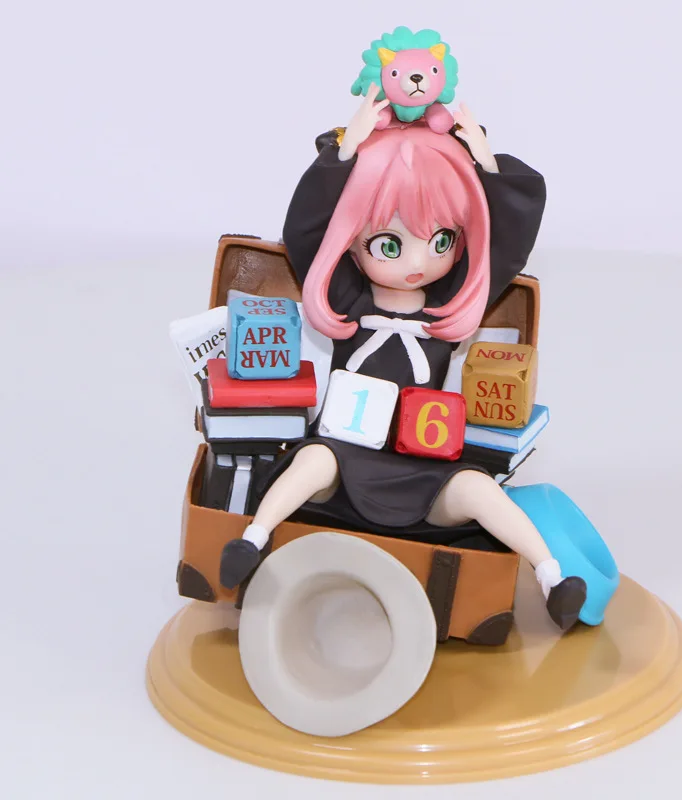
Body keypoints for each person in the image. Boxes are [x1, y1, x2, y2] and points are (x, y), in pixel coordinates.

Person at [220, 85, 587, 629]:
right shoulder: (348, 301)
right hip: (344, 468)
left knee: (478, 488)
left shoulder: (447, 309)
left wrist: (487, 167)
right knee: (312, 460)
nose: (417, 262)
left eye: (441, 241)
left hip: (424, 473)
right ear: (351, 241)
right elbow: (305, 232)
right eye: (389, 245)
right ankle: (252, 539)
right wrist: (345, 153)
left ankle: (552, 575)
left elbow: (505, 245)